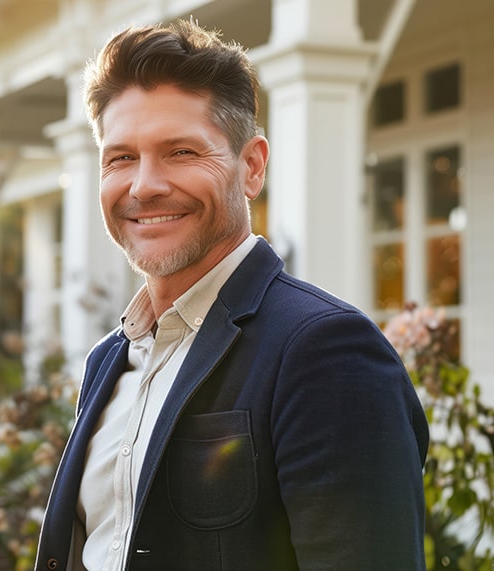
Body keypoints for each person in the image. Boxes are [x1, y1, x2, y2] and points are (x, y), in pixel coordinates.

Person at [34, 19, 429, 571]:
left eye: (180, 152)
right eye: (120, 157)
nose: (144, 185)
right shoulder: (109, 359)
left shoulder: (324, 350)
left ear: (251, 166)